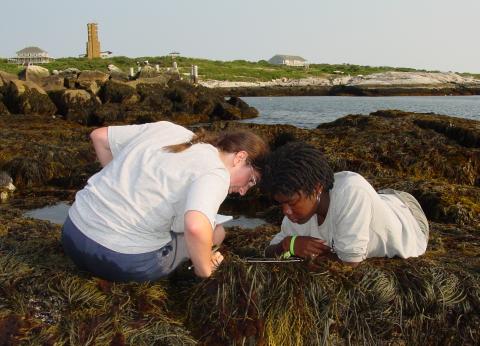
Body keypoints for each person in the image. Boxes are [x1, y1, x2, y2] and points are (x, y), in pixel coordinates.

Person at [61, 121, 268, 281]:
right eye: (250, 181)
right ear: (240, 157)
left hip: (72, 233)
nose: (243, 191)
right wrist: (204, 269)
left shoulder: (169, 129)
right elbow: (195, 226)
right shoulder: (216, 173)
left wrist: (120, 182)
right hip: (119, 259)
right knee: (216, 231)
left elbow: (99, 137)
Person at [263, 142, 429, 267]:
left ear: (317, 188)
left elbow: (350, 262)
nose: (286, 211)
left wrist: (313, 255)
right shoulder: (295, 217)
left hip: (408, 215)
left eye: (291, 203)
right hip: (378, 200)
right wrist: (288, 245)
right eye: (281, 204)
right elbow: (269, 251)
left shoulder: (351, 192)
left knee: (358, 193)